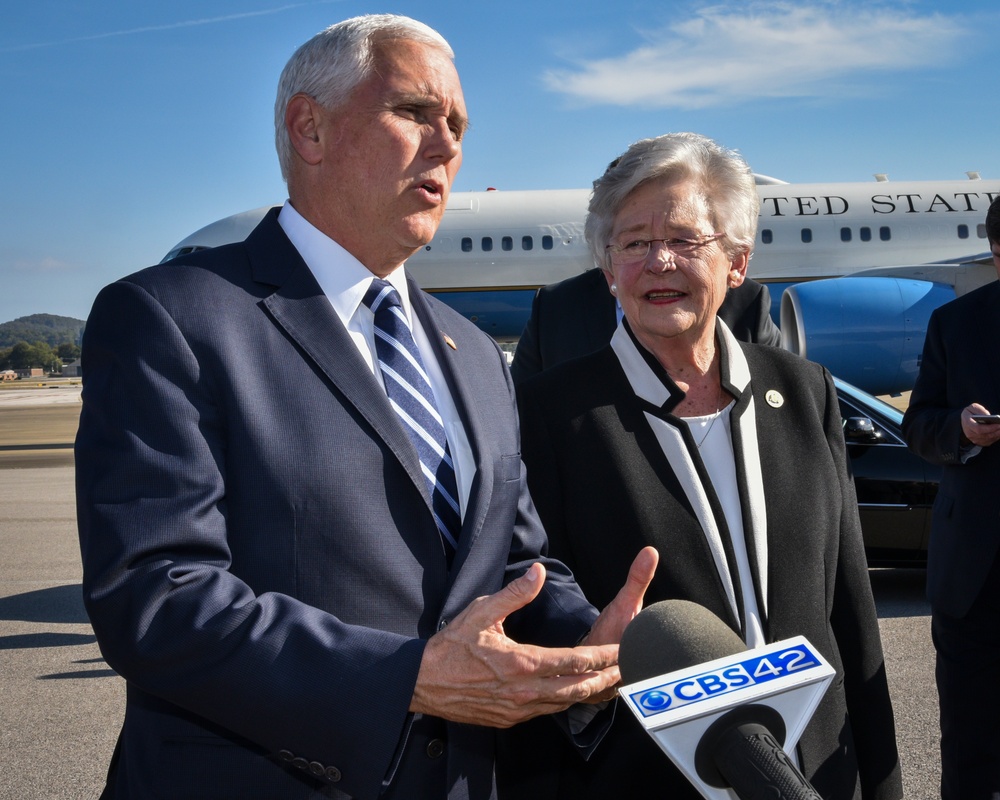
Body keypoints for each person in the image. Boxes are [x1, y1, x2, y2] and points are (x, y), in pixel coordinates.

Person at [74, 15, 657, 800]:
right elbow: (156, 595)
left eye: (457, 125)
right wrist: (406, 679)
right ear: (308, 128)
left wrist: (586, 641)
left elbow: (513, 564)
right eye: (416, 112)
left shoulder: (476, 354)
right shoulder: (172, 315)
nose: (448, 146)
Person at [497, 132, 902, 800]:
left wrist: (881, 784)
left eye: (685, 240)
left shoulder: (805, 392)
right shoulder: (546, 417)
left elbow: (851, 619)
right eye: (632, 243)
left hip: (819, 778)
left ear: (737, 262)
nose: (658, 262)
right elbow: (535, 630)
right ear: (607, 270)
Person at [901, 195, 1000, 799]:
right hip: (976, 579)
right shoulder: (957, 323)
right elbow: (918, 427)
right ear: (995, 251)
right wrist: (961, 431)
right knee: (971, 746)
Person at [510, 264, 780, 386]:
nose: (661, 259)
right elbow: (517, 413)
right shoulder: (556, 305)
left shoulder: (747, 301)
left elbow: (783, 403)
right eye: (636, 240)